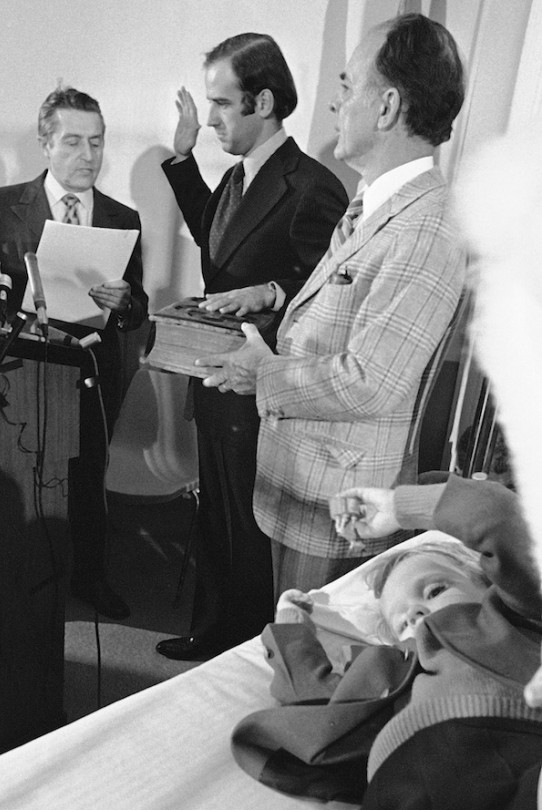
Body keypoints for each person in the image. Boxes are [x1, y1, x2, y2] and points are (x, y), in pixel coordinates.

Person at [197, 14, 467, 600]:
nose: (335, 104)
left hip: (339, 507)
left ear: (387, 107)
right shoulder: (376, 207)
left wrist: (262, 372)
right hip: (306, 484)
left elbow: (370, 381)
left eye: (347, 86)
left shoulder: (424, 230)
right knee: (285, 638)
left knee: (309, 649)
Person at [0, 88, 148, 620]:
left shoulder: (123, 216)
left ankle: (90, 577)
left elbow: (136, 309)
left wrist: (125, 303)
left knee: (87, 477)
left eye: (97, 142)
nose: (88, 155)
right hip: (23, 368)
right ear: (46, 144)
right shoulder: (4, 205)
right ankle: (28, 583)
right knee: (29, 476)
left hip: (93, 369)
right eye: (73, 142)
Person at [157, 33, 348, 660]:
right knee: (218, 518)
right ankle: (216, 634)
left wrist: (272, 290)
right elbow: (215, 243)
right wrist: (183, 158)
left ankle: (241, 650)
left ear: (262, 102)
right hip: (218, 379)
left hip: (264, 390)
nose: (211, 118)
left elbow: (329, 293)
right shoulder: (240, 177)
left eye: (221, 104)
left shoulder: (311, 186)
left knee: (248, 529)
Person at [232, 475, 542, 810]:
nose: (416, 614)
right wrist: (291, 626)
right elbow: (315, 697)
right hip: (404, 790)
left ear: (486, 582)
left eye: (435, 589)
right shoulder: (386, 668)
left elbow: (500, 518)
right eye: (401, 621)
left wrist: (399, 508)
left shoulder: (511, 614)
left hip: (518, 747)